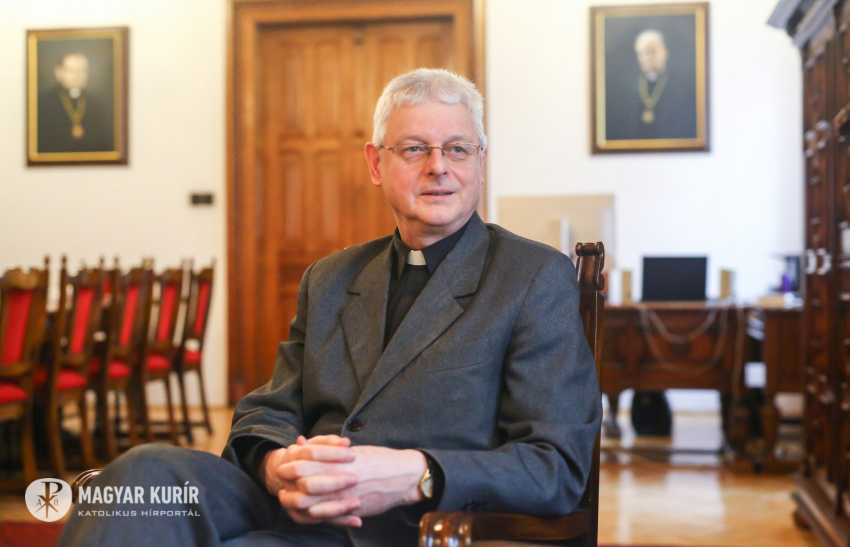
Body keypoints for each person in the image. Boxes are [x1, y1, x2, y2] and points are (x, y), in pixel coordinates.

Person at [57, 68, 601, 547]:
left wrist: (416, 473)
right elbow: (269, 410)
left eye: (458, 149)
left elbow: (556, 465)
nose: (439, 166)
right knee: (140, 475)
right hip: (285, 503)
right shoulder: (332, 277)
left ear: (480, 161)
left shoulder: (531, 276)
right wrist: (278, 465)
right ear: (375, 163)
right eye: (415, 148)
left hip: (398, 526)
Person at [604, 29, 697, 141]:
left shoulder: (682, 86)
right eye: (642, 53)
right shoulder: (627, 88)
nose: (647, 57)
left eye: (652, 51)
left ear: (665, 52)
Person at [37, 52, 114, 153]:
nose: (78, 75)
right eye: (72, 71)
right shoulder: (44, 103)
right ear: (59, 72)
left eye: (82, 70)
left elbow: (104, 142)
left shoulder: (96, 103)